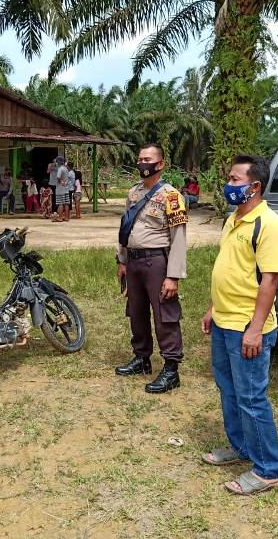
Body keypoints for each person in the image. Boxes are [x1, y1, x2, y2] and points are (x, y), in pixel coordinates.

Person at [201, 154, 278, 496]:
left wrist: (255, 328)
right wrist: (212, 308)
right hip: (224, 321)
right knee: (230, 390)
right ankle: (240, 447)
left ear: (255, 185)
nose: (228, 184)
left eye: (235, 180)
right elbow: (230, 268)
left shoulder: (269, 224)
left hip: (247, 327)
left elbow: (269, 282)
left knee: (252, 397)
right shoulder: (233, 219)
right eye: (229, 178)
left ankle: (267, 469)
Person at [116, 144, 188, 393]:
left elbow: (178, 237)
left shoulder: (171, 196)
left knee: (164, 313)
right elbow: (125, 228)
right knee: (135, 311)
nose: (141, 164)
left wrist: (173, 276)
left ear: (160, 164)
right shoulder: (133, 193)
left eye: (147, 159)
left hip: (157, 261)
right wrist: (122, 260)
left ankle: (171, 368)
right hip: (134, 261)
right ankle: (141, 358)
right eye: (139, 159)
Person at [53, 156, 71, 222]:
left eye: (56, 161)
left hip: (60, 188)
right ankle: (66, 217)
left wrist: (60, 181)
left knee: (60, 203)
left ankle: (60, 217)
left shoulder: (60, 169)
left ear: (58, 162)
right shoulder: (66, 168)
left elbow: (58, 177)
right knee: (66, 203)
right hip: (66, 188)